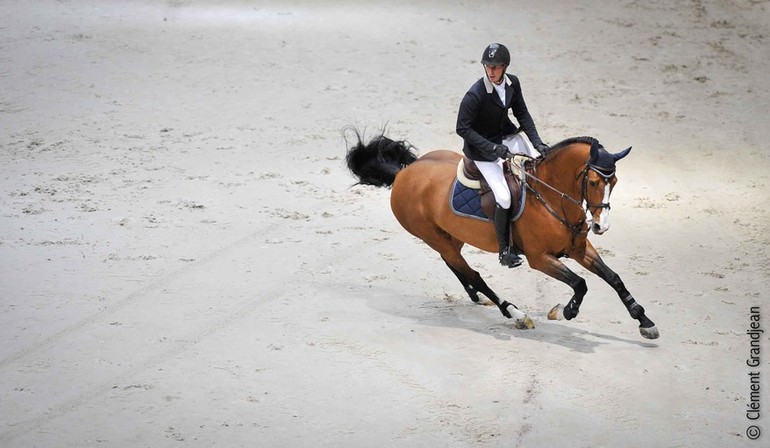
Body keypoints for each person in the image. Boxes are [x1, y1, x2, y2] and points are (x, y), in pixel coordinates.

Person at [456, 43, 549, 268]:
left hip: (505, 136)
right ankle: (504, 250)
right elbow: (462, 128)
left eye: (496, 67)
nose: (491, 71)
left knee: (537, 167)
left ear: (505, 67)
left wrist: (537, 142)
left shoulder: (512, 83)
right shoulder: (475, 94)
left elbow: (522, 114)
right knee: (504, 196)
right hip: (482, 151)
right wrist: (491, 148)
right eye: (488, 66)